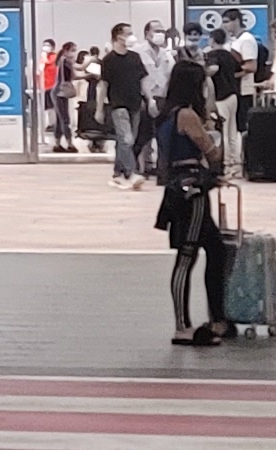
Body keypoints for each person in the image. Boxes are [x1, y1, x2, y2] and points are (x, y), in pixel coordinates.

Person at [155, 51, 234, 347]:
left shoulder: (166, 115)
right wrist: (214, 133)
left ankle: (217, 318)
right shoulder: (187, 116)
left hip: (177, 187)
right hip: (193, 191)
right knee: (187, 255)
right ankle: (183, 326)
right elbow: (211, 152)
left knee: (215, 249)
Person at [99, 23, 152, 186]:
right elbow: (104, 85)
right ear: (118, 37)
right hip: (118, 104)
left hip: (135, 103)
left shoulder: (135, 58)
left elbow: (143, 80)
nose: (131, 37)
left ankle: (118, 171)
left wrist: (150, 99)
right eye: (128, 34)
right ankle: (131, 172)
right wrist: (99, 109)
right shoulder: (108, 60)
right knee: (126, 139)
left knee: (126, 140)